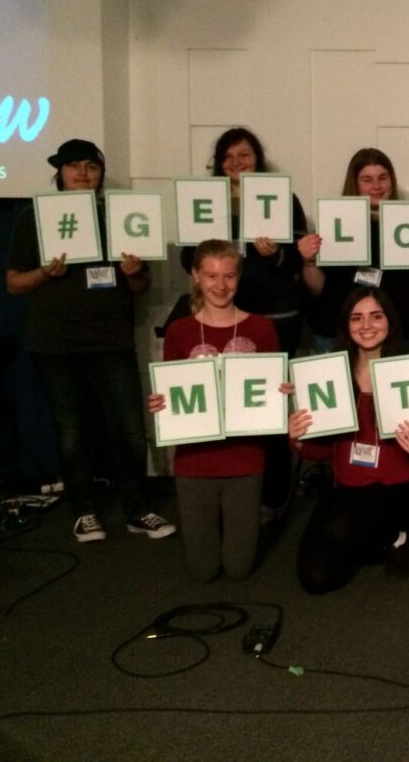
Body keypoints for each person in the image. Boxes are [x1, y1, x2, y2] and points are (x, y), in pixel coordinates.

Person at [5, 138, 175, 544]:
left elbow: (140, 286)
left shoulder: (121, 216)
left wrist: (134, 271)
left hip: (110, 339)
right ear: (60, 173)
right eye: (73, 166)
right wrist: (46, 273)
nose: (83, 173)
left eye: (91, 167)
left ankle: (137, 509)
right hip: (54, 343)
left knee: (131, 430)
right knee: (71, 431)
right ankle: (83, 511)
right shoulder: (34, 217)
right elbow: (14, 283)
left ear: (100, 174)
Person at [179, 127, 309, 517]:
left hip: (275, 319)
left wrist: (272, 256)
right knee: (224, 408)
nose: (236, 163)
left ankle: (273, 497)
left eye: (245, 155)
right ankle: (232, 496)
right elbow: (189, 259)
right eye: (228, 157)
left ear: (258, 159)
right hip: (220, 319)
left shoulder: (284, 199)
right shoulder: (203, 202)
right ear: (218, 164)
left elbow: (295, 265)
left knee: (270, 409)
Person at [149, 240, 283, 581]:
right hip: (195, 461)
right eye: (211, 275)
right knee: (203, 571)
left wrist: (283, 394)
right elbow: (172, 391)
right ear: (195, 276)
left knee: (238, 569)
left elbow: (271, 392)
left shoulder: (261, 329)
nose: (220, 285)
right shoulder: (180, 331)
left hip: (245, 458)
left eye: (229, 276)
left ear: (239, 277)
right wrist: (161, 403)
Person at [288, 287, 409, 594]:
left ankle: (397, 532)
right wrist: (298, 439)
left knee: (341, 531)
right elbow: (322, 451)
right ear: (346, 326)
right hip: (345, 486)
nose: (366, 326)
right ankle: (380, 544)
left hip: (393, 489)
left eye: (376, 316)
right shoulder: (331, 375)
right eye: (357, 318)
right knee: (316, 579)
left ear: (389, 321)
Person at [297, 148, 409, 355]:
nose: (376, 186)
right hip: (335, 334)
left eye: (383, 178)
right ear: (355, 183)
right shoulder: (333, 221)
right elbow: (318, 287)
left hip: (396, 334)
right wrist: (309, 261)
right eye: (367, 179)